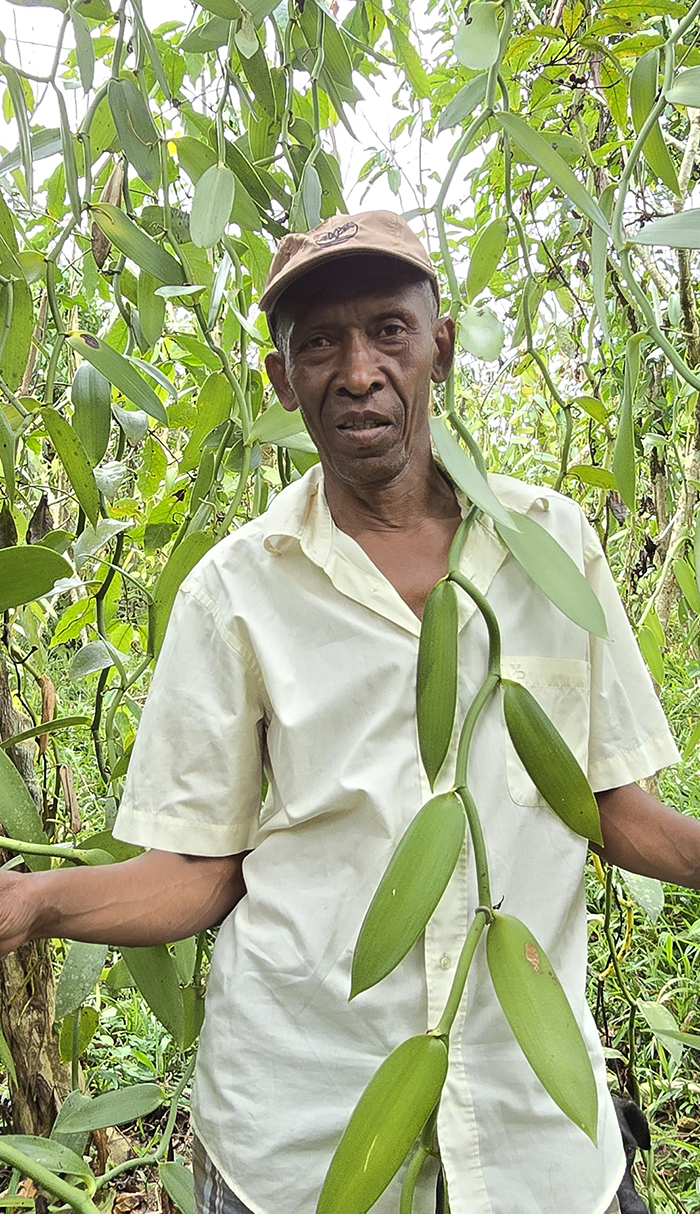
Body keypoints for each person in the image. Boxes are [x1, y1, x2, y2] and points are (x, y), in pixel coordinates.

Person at [1, 210, 699, 1214]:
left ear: (441, 348)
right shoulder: (234, 593)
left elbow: (612, 805)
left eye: (388, 329)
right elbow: (199, 870)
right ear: (283, 382)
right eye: (319, 342)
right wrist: (37, 905)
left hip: (533, 1130)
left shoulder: (553, 547)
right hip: (307, 1131)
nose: (358, 368)